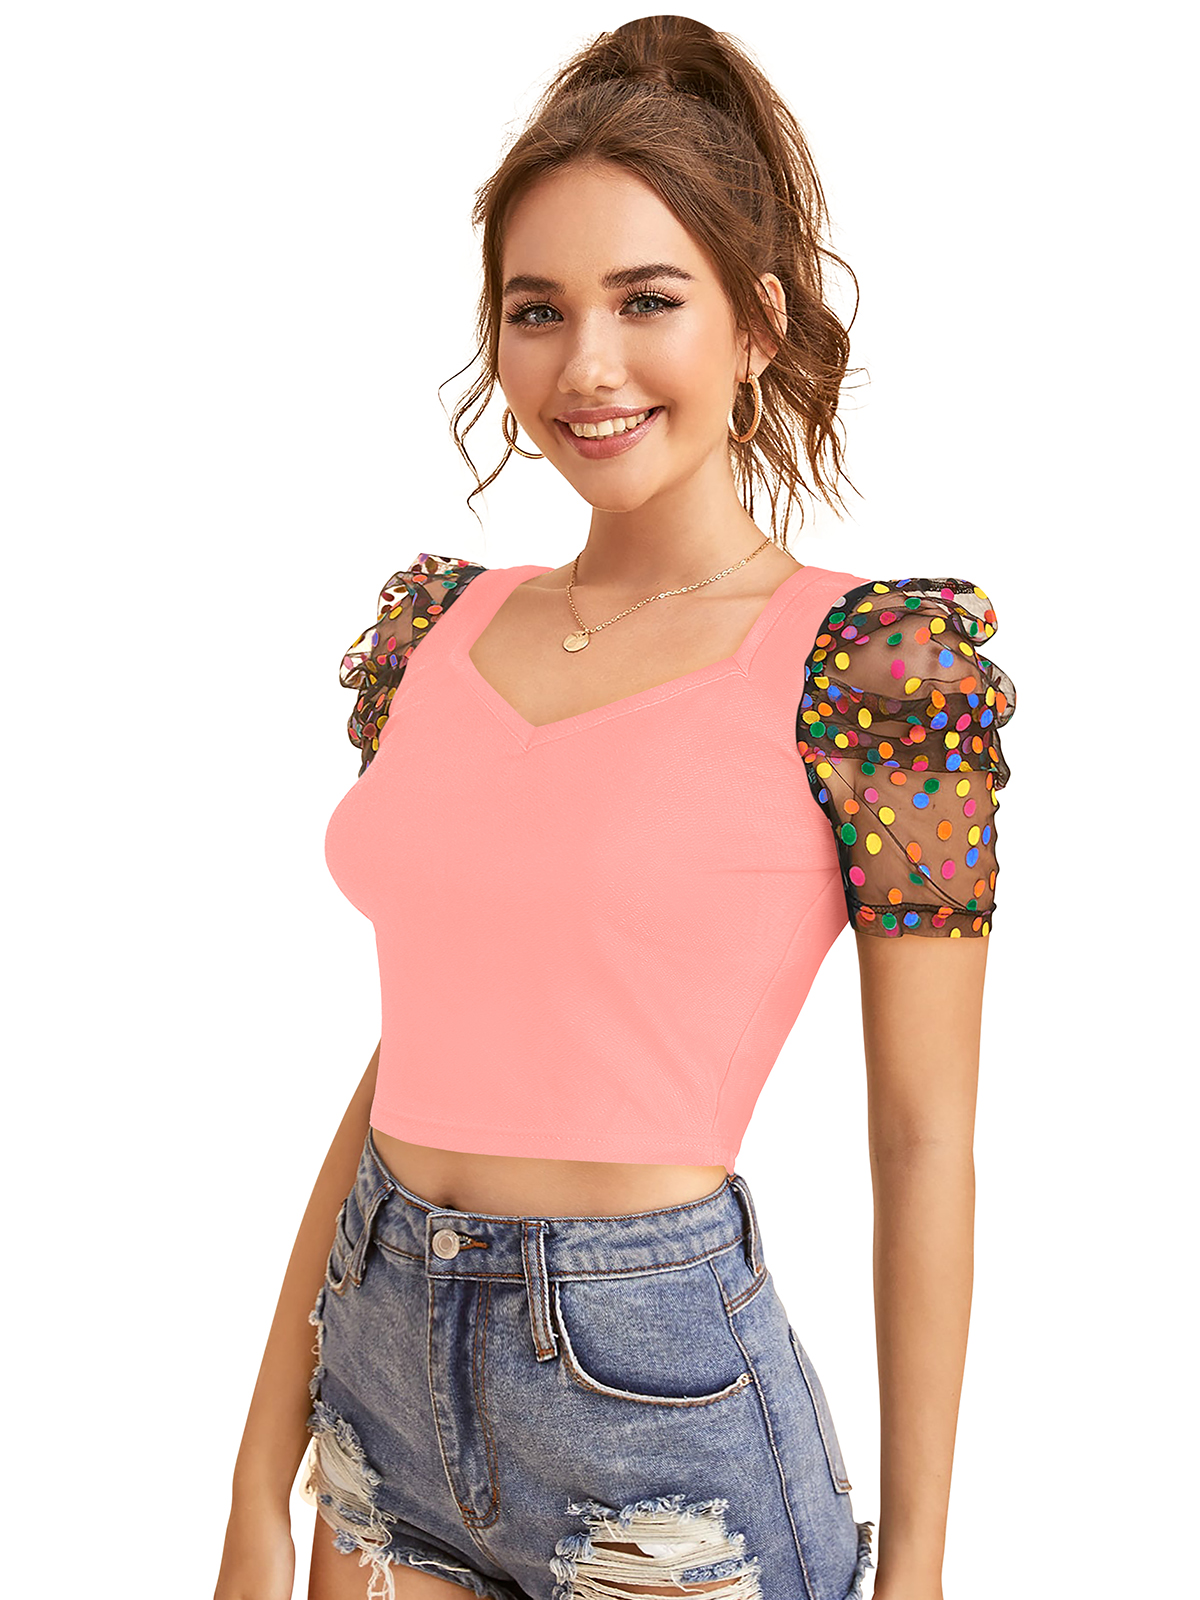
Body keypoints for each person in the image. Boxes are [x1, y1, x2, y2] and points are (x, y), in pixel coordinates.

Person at [215, 16, 1016, 1600]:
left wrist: (920, 1568)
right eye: (538, 311)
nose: (586, 366)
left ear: (757, 325)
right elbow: (415, 1054)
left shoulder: (873, 675)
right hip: (379, 1365)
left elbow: (925, 1138)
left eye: (648, 300)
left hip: (656, 1415)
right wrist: (259, 1460)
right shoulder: (438, 631)